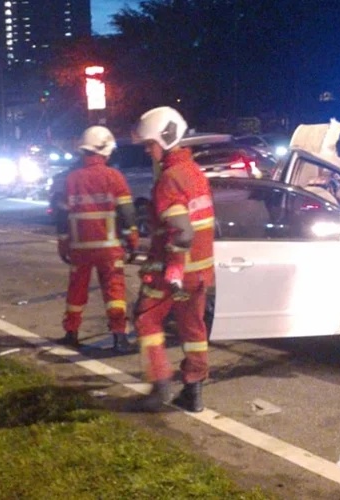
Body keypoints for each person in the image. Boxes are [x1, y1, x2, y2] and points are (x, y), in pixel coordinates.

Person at [130, 107, 215, 413]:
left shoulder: (170, 179)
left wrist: (173, 269)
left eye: (149, 144)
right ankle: (193, 393)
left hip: (174, 274)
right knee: (193, 329)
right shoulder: (195, 174)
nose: (147, 150)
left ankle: (159, 386)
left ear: (165, 140)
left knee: (146, 319)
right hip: (201, 274)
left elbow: (181, 231)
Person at [55, 126, 139, 353]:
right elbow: (127, 212)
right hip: (108, 247)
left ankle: (71, 333)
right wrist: (132, 237)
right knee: (114, 291)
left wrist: (63, 241)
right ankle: (119, 338)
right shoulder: (114, 177)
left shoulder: (70, 179)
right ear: (104, 150)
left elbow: (61, 213)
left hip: (80, 248)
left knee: (76, 290)